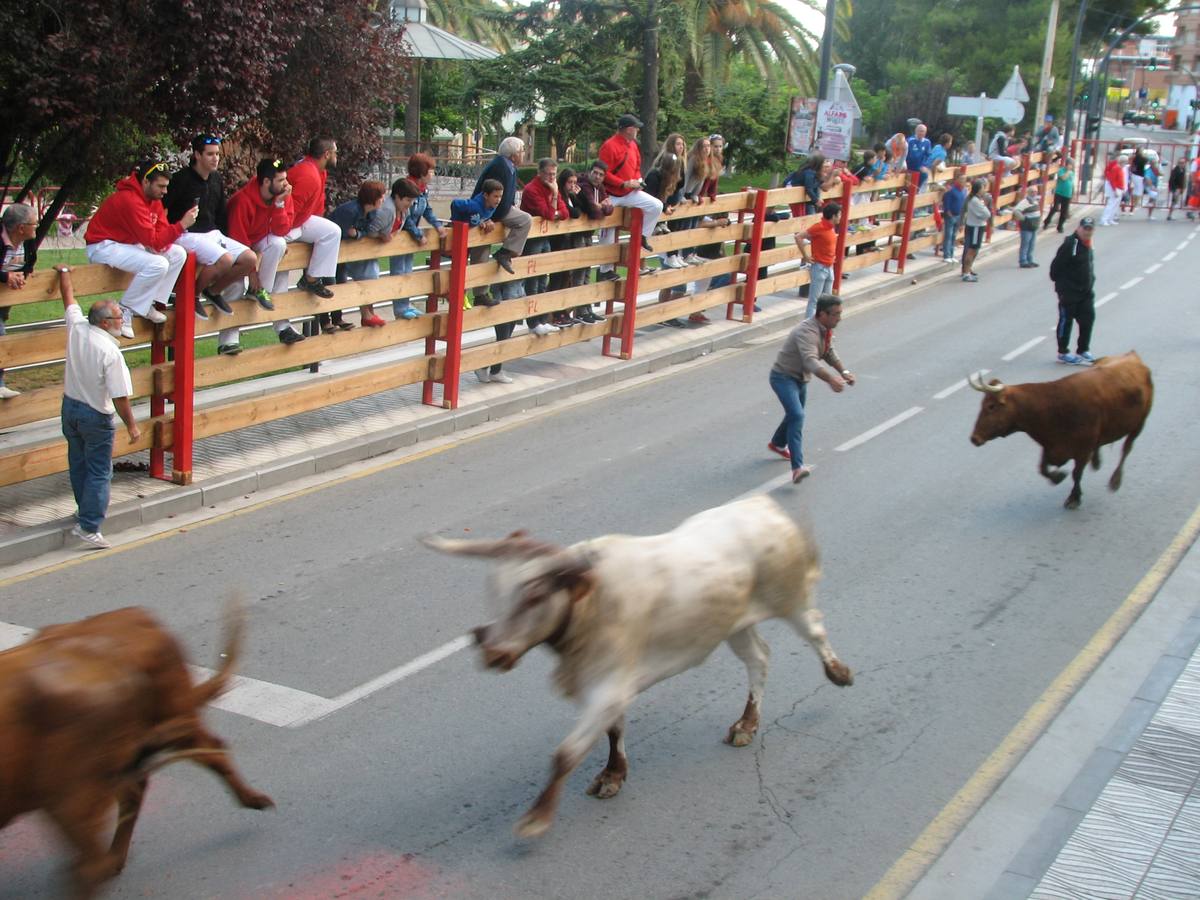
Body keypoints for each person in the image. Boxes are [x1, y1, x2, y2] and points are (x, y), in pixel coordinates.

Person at [53, 265, 139, 550]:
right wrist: (132, 425)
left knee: (77, 462)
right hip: (96, 416)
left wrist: (64, 272)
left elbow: (69, 298)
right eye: (118, 316)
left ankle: (83, 509)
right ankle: (89, 526)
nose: (121, 319)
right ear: (104, 323)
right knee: (100, 471)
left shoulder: (77, 327)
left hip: (70, 409)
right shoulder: (110, 352)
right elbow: (120, 396)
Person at [85, 160, 192, 338]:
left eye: (166, 186)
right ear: (145, 182)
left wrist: (163, 241)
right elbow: (153, 240)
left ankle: (146, 303)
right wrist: (181, 225)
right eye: (161, 186)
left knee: (177, 254)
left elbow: (161, 232)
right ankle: (126, 310)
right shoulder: (130, 199)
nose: (165, 191)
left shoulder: (153, 199)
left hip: (126, 244)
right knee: (158, 264)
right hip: (102, 246)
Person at [164, 134, 261, 321]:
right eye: (210, 154)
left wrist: (224, 236)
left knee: (249, 258)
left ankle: (213, 291)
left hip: (213, 233)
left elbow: (221, 212)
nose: (215, 158)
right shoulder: (181, 179)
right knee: (224, 259)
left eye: (217, 154)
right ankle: (191, 295)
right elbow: (162, 208)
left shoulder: (216, 178)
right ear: (197, 155)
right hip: (187, 234)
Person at [767, 294, 855, 484]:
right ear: (822, 314)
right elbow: (811, 360)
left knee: (793, 414)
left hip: (800, 379)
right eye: (836, 314)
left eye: (840, 313)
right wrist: (831, 379)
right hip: (783, 377)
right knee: (797, 415)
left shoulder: (825, 330)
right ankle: (797, 468)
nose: (839, 318)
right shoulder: (807, 332)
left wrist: (844, 371)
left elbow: (828, 352)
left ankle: (777, 443)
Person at [221, 158, 307, 351]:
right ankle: (228, 341)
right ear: (266, 182)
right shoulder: (242, 200)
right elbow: (238, 241)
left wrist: (278, 205)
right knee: (234, 286)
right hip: (234, 247)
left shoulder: (283, 195)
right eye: (281, 180)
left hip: (260, 241)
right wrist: (251, 271)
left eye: (286, 179)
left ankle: (260, 293)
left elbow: (282, 229)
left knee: (278, 245)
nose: (286, 184)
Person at [452, 180, 516, 385]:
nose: (498, 201)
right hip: (459, 240)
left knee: (481, 258)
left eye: (500, 196)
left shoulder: (490, 208)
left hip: (473, 241)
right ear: (485, 195)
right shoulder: (475, 205)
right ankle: (461, 296)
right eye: (495, 196)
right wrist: (473, 221)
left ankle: (479, 293)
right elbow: (456, 205)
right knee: (463, 271)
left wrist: (485, 222)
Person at [324, 180, 389, 332]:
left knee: (340, 282)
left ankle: (337, 318)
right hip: (331, 250)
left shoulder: (371, 213)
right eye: (381, 196)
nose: (383, 200)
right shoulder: (350, 211)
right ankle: (325, 321)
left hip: (344, 252)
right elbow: (341, 232)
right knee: (329, 283)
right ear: (372, 198)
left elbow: (367, 231)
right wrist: (353, 234)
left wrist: (357, 234)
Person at [281, 136, 342, 299]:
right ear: (327, 154)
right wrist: (287, 234)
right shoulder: (309, 174)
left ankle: (312, 278)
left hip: (299, 221)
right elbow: (291, 209)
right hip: (285, 225)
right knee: (279, 274)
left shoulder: (317, 170)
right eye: (336, 152)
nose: (337, 156)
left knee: (332, 231)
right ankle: (310, 279)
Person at [388, 153, 447, 319]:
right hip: (401, 235)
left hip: (410, 238)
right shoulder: (407, 189)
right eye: (431, 171)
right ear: (422, 172)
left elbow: (426, 209)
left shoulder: (423, 191)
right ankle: (400, 309)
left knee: (408, 271)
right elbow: (405, 217)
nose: (433, 174)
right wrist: (418, 235)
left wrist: (437, 225)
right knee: (399, 271)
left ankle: (405, 305)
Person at [471, 136, 533, 292]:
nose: (524, 153)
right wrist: (486, 217)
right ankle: (505, 253)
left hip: (499, 209)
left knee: (482, 252)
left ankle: (481, 293)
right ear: (513, 155)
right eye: (522, 151)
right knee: (480, 253)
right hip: (487, 211)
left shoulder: (509, 166)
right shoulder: (500, 167)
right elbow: (489, 193)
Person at [598, 114, 664, 255]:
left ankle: (642, 236)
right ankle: (605, 269)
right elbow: (604, 173)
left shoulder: (633, 145)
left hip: (630, 192)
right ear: (628, 129)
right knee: (607, 231)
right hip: (612, 194)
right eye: (635, 128)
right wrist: (623, 183)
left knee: (656, 206)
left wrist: (639, 181)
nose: (637, 130)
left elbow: (636, 168)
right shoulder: (609, 146)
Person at [519, 157, 568, 335]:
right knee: (533, 281)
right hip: (532, 239)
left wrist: (555, 199)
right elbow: (547, 213)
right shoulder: (532, 189)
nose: (551, 177)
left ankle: (541, 319)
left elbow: (564, 212)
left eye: (554, 174)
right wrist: (554, 195)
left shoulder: (551, 187)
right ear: (539, 173)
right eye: (547, 174)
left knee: (542, 280)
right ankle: (533, 322)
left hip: (545, 238)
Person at [0, 202, 38, 398]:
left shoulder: (28, 241)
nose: (37, 227)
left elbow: (29, 261)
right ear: (21, 228)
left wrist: (24, 274)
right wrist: (6, 277)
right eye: (34, 224)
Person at [1049, 217, 1097, 366]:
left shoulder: (1088, 244)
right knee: (1066, 321)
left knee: (1088, 319)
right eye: (1085, 228)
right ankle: (1063, 351)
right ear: (1079, 228)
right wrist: (1063, 288)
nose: (1087, 232)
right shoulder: (1071, 244)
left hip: (1086, 291)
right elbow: (1055, 268)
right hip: (1069, 292)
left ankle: (1083, 349)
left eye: (1090, 229)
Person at [796, 203, 840, 317]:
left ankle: (824, 328)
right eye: (839, 214)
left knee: (827, 302)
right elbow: (798, 237)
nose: (840, 217)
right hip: (819, 267)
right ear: (833, 216)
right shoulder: (819, 227)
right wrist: (805, 256)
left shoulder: (830, 228)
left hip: (829, 267)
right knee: (814, 301)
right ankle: (808, 329)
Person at [961, 179, 991, 282]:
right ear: (978, 189)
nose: (984, 190)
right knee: (971, 250)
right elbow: (987, 214)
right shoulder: (975, 201)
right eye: (983, 188)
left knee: (973, 250)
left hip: (976, 227)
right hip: (975, 227)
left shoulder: (976, 200)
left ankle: (967, 271)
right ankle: (966, 273)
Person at [941, 172, 966, 265]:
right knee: (948, 235)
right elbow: (947, 202)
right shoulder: (951, 191)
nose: (964, 181)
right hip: (951, 216)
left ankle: (951, 254)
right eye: (962, 179)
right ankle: (946, 255)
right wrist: (948, 211)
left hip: (958, 215)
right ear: (957, 180)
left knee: (953, 236)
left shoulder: (963, 191)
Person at [1013, 187, 1041, 268]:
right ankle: (1023, 261)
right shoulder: (1024, 202)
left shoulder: (1035, 201)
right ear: (1028, 192)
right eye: (1032, 192)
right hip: (1027, 227)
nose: (1034, 193)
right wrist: (1024, 219)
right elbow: (1016, 210)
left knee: (1031, 244)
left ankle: (1029, 260)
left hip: (1033, 226)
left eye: (1036, 191)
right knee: (1025, 244)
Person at [1044, 158, 1074, 232]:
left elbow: (1072, 183)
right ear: (1066, 165)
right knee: (1055, 208)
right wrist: (1068, 171)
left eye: (1071, 165)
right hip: (1059, 193)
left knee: (1064, 211)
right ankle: (1047, 221)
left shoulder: (1072, 173)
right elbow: (1063, 178)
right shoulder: (1061, 170)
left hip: (1067, 194)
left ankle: (1060, 226)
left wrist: (1073, 193)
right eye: (1069, 165)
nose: (1070, 167)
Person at [1100, 153, 1127, 226]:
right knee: (1111, 204)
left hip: (1119, 188)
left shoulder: (1119, 168)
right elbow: (1112, 180)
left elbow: (1121, 180)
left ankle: (1110, 219)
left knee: (1115, 205)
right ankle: (1104, 219)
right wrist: (1115, 190)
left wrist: (1123, 188)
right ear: (1122, 162)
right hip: (1116, 189)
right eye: (1125, 162)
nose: (1125, 164)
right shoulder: (1116, 168)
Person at [905, 122, 933, 187]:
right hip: (910, 167)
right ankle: (912, 190)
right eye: (920, 131)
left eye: (923, 131)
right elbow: (906, 155)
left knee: (924, 174)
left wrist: (925, 165)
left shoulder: (927, 142)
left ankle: (916, 191)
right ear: (916, 131)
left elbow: (929, 156)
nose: (921, 133)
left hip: (921, 167)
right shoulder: (910, 141)